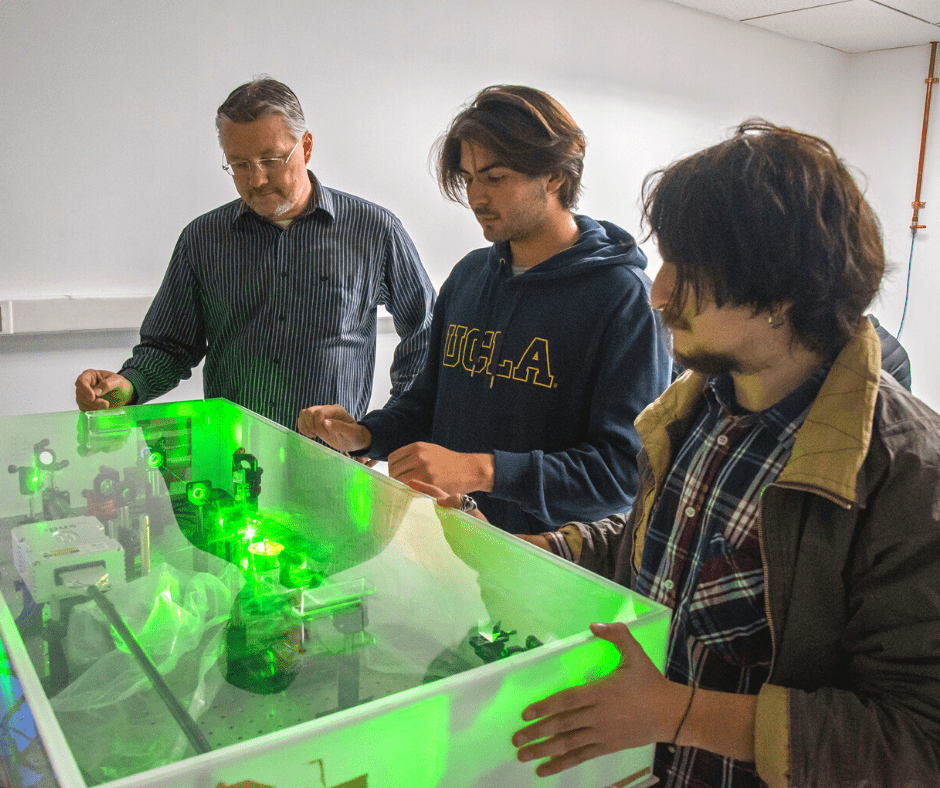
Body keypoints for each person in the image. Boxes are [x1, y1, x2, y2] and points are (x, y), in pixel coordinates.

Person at [510, 120, 940, 787]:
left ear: (782, 293)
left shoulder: (907, 477)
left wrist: (675, 713)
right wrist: (531, 552)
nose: (658, 293)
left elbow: (917, 741)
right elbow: (664, 554)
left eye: (689, 270)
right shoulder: (702, 406)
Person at [298, 85, 671, 534]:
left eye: (495, 178)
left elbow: (621, 472)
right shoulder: (470, 275)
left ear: (553, 175)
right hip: (449, 541)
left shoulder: (624, 298)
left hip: (550, 565)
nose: (476, 197)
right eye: (469, 178)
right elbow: (427, 403)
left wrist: (484, 470)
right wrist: (366, 435)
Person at [75, 77, 436, 430]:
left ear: (305, 147)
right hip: (230, 462)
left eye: (271, 160)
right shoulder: (202, 239)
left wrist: (384, 429)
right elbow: (169, 346)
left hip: (330, 462)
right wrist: (128, 385)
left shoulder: (374, 230)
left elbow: (426, 334)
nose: (257, 179)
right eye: (240, 165)